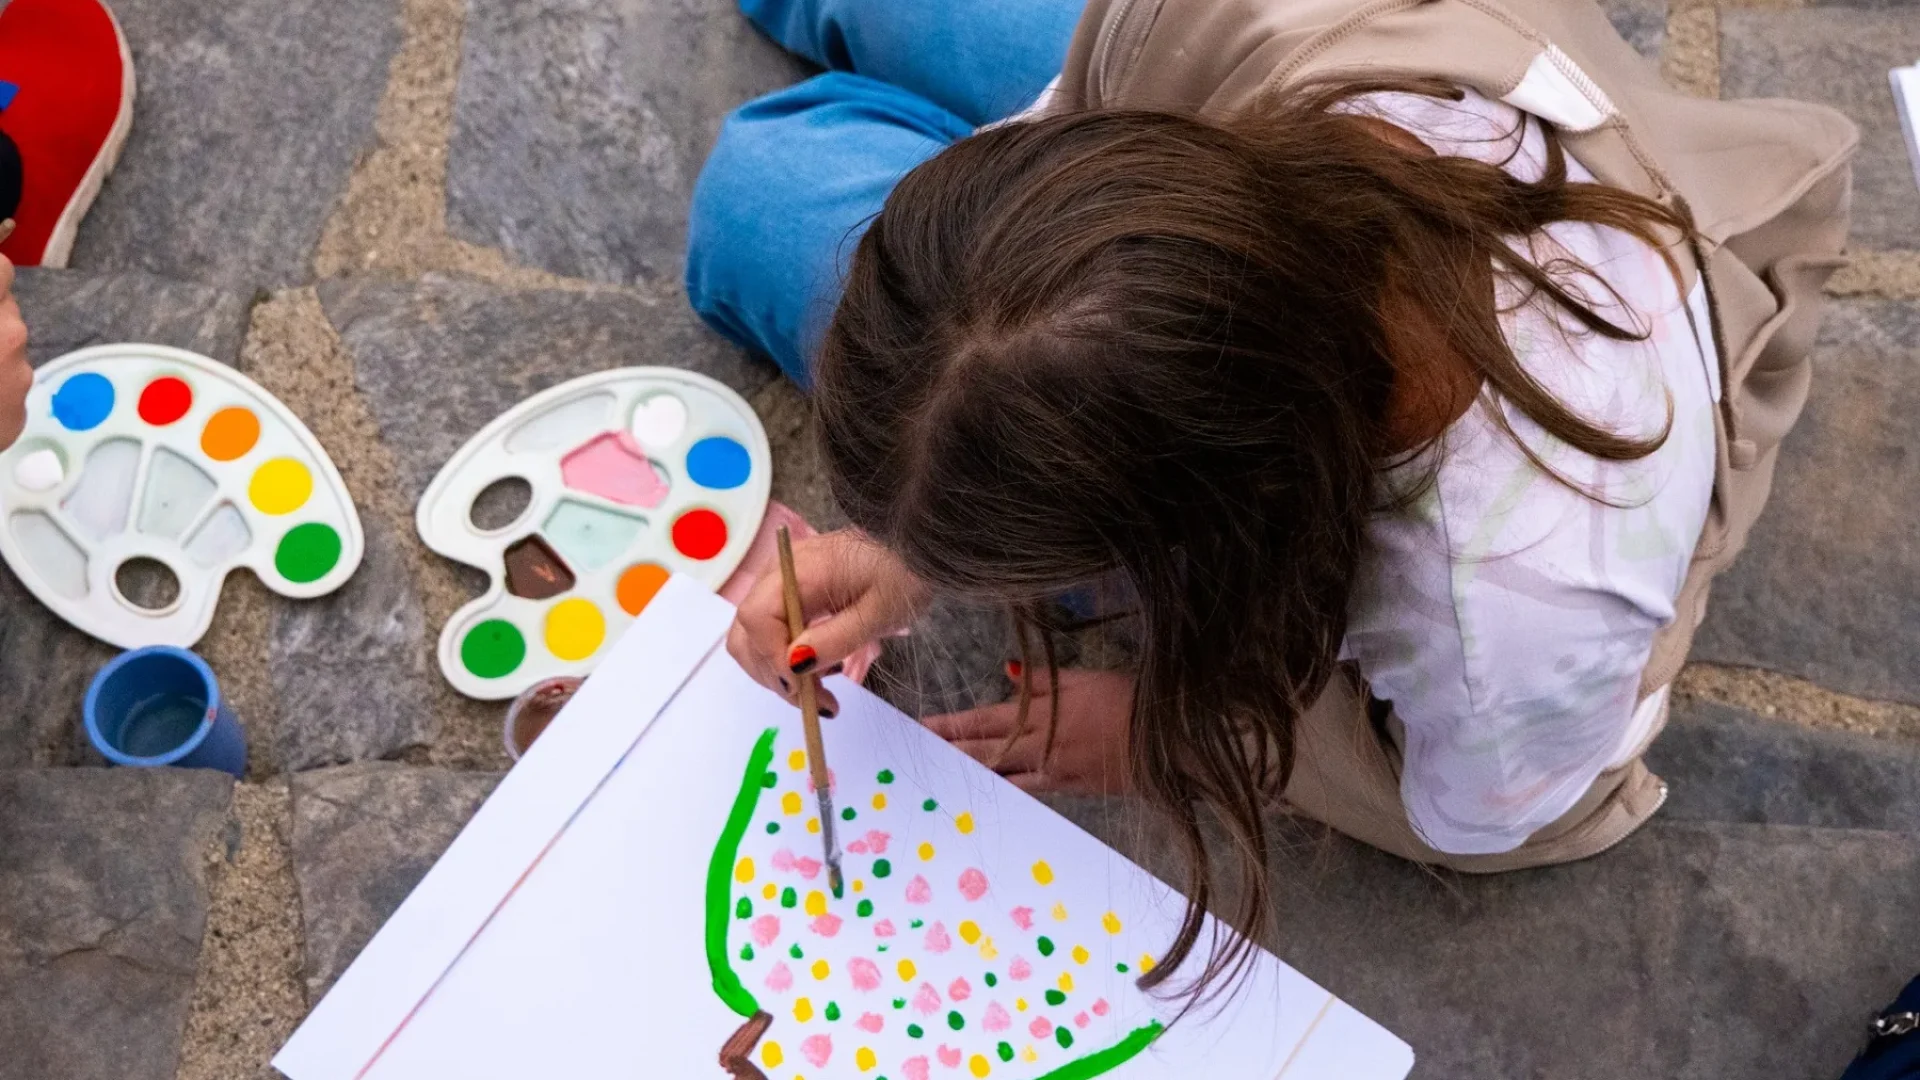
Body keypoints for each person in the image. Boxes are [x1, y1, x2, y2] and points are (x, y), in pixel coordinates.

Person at [694, 0, 1855, 991]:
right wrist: (918, 525)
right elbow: (1040, 203)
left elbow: (1500, 815)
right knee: (765, 194)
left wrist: (1175, 732)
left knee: (762, 195)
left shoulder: (1520, 597)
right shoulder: (1193, 49)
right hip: (1199, 136)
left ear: (1216, 538)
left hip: (1548, 420)